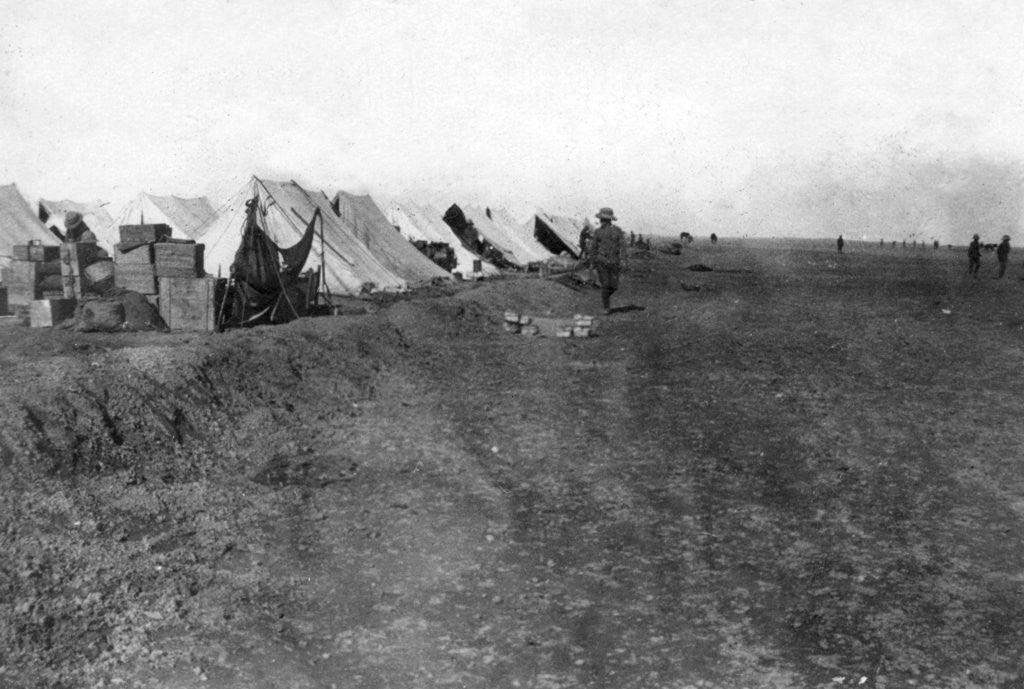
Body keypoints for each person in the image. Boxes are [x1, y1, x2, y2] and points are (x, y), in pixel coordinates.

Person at [591, 207, 627, 315]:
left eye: (604, 220)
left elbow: (623, 246)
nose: (602, 222)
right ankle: (606, 307)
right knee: (606, 285)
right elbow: (593, 248)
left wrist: (623, 260)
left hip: (615, 262)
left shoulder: (617, 231)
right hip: (601, 262)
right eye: (601, 219)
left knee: (614, 286)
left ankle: (605, 296)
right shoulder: (597, 232)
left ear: (609, 220)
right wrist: (593, 261)